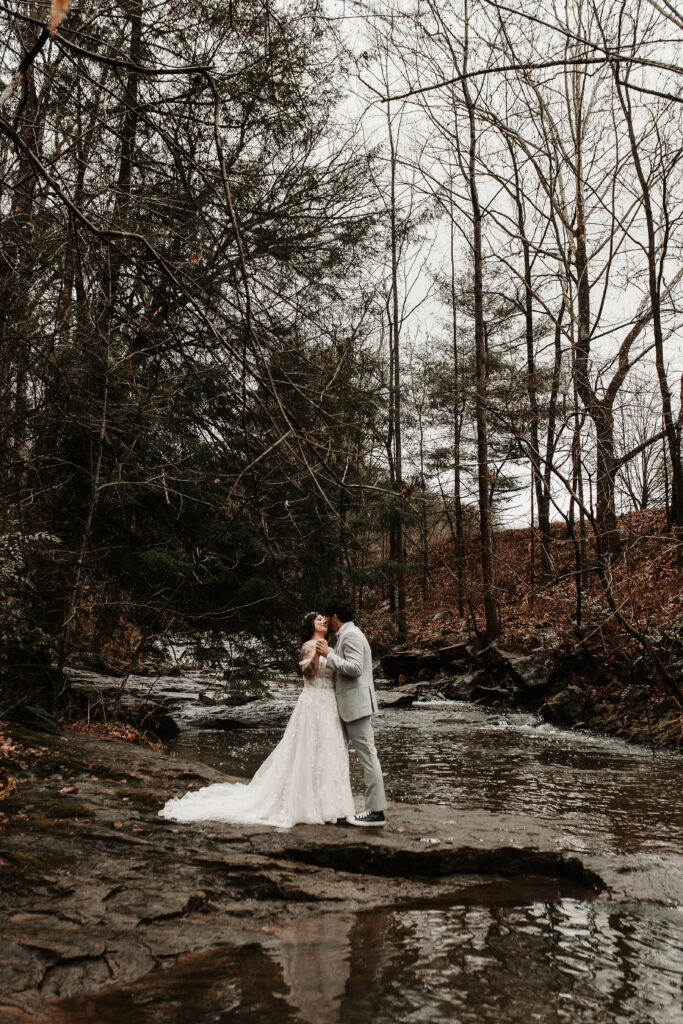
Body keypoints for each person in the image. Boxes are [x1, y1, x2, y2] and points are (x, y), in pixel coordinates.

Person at [158, 612, 355, 828]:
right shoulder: (308, 646)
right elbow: (308, 675)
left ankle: (332, 805)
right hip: (313, 704)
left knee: (329, 750)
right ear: (310, 626)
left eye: (325, 620)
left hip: (329, 705)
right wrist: (317, 654)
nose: (324, 621)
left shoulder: (331, 646)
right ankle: (306, 804)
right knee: (308, 751)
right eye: (319, 620)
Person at [316, 597, 387, 827]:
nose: (326, 621)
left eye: (328, 617)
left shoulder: (352, 635)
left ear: (335, 616)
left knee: (368, 757)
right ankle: (339, 805)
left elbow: (355, 669)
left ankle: (376, 812)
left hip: (356, 706)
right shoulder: (346, 635)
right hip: (350, 706)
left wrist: (329, 655)